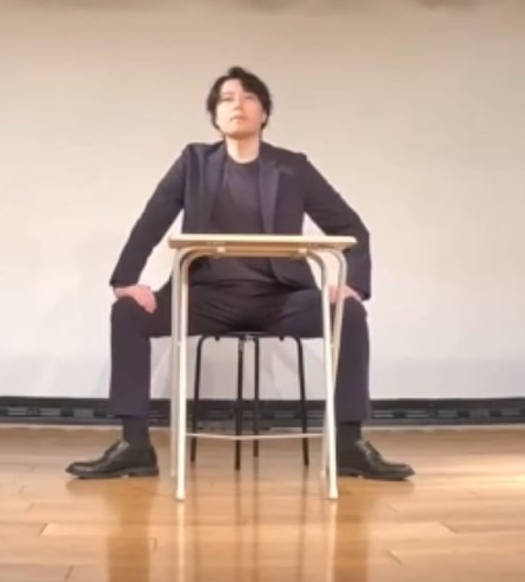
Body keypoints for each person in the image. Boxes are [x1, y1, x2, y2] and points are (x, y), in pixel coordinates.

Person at [66, 66, 414, 481]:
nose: (238, 104)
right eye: (227, 98)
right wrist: (125, 281)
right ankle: (134, 445)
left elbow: (352, 227)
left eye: (249, 97)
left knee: (350, 314)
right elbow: (151, 221)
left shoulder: (292, 167)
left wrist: (353, 285)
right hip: (204, 296)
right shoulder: (194, 162)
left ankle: (350, 445)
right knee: (128, 313)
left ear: (264, 113)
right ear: (215, 116)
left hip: (281, 298)